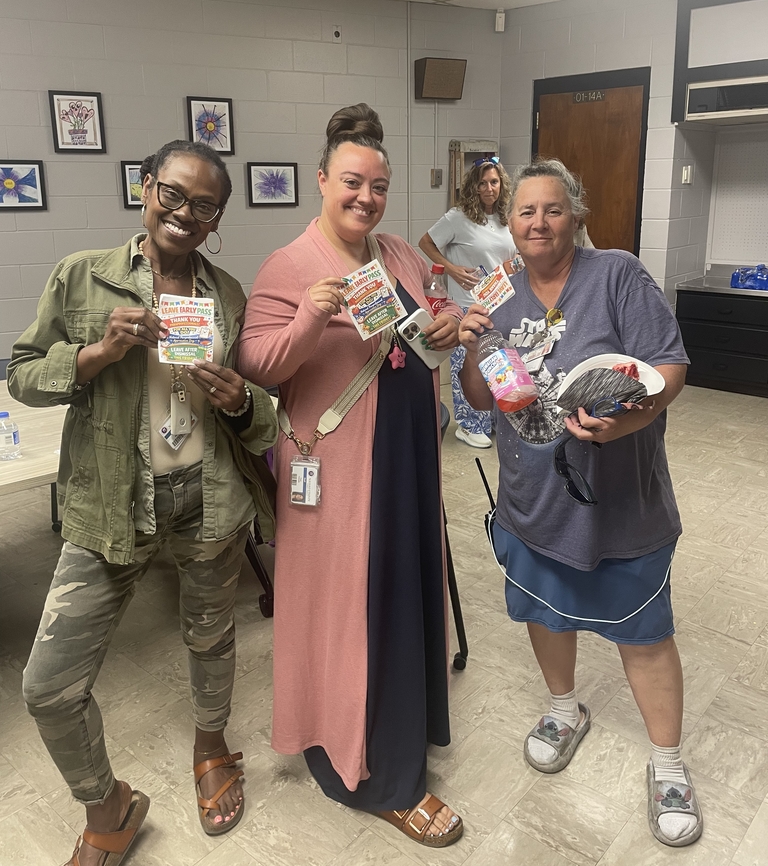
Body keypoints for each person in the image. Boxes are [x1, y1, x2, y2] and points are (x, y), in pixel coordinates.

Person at [8, 140, 278, 866]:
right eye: (173, 195)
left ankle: (212, 743)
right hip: (111, 505)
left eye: (205, 206)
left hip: (209, 501)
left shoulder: (224, 294)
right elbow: (23, 376)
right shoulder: (82, 277)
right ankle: (109, 806)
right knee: (47, 688)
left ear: (217, 218)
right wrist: (94, 355)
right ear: (145, 189)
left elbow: (260, 417)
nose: (184, 214)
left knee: (211, 638)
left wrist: (239, 398)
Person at [239, 104, 465, 848]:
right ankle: (380, 777)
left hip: (405, 457)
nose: (365, 198)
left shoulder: (397, 253)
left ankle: (402, 731)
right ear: (321, 180)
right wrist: (308, 316)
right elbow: (258, 367)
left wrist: (443, 322)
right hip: (339, 472)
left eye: (378, 186)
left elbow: (429, 316)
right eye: (351, 183)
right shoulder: (290, 264)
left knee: (401, 599)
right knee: (354, 612)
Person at [458, 157, 702, 848]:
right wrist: (474, 345)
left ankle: (669, 764)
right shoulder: (498, 290)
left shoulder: (617, 274)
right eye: (525, 211)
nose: (538, 222)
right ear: (509, 223)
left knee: (644, 632)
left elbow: (671, 364)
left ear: (576, 215)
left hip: (619, 498)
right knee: (545, 608)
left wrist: (627, 421)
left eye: (552, 209)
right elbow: (482, 400)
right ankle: (564, 710)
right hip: (531, 497)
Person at [419, 156, 516, 449]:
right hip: (467, 303)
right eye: (483, 183)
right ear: (473, 187)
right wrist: (451, 268)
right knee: (468, 363)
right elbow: (426, 242)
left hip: (502, 301)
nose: (489, 189)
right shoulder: (458, 218)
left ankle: (493, 419)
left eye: (494, 182)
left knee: (497, 364)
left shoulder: (506, 217)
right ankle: (469, 424)